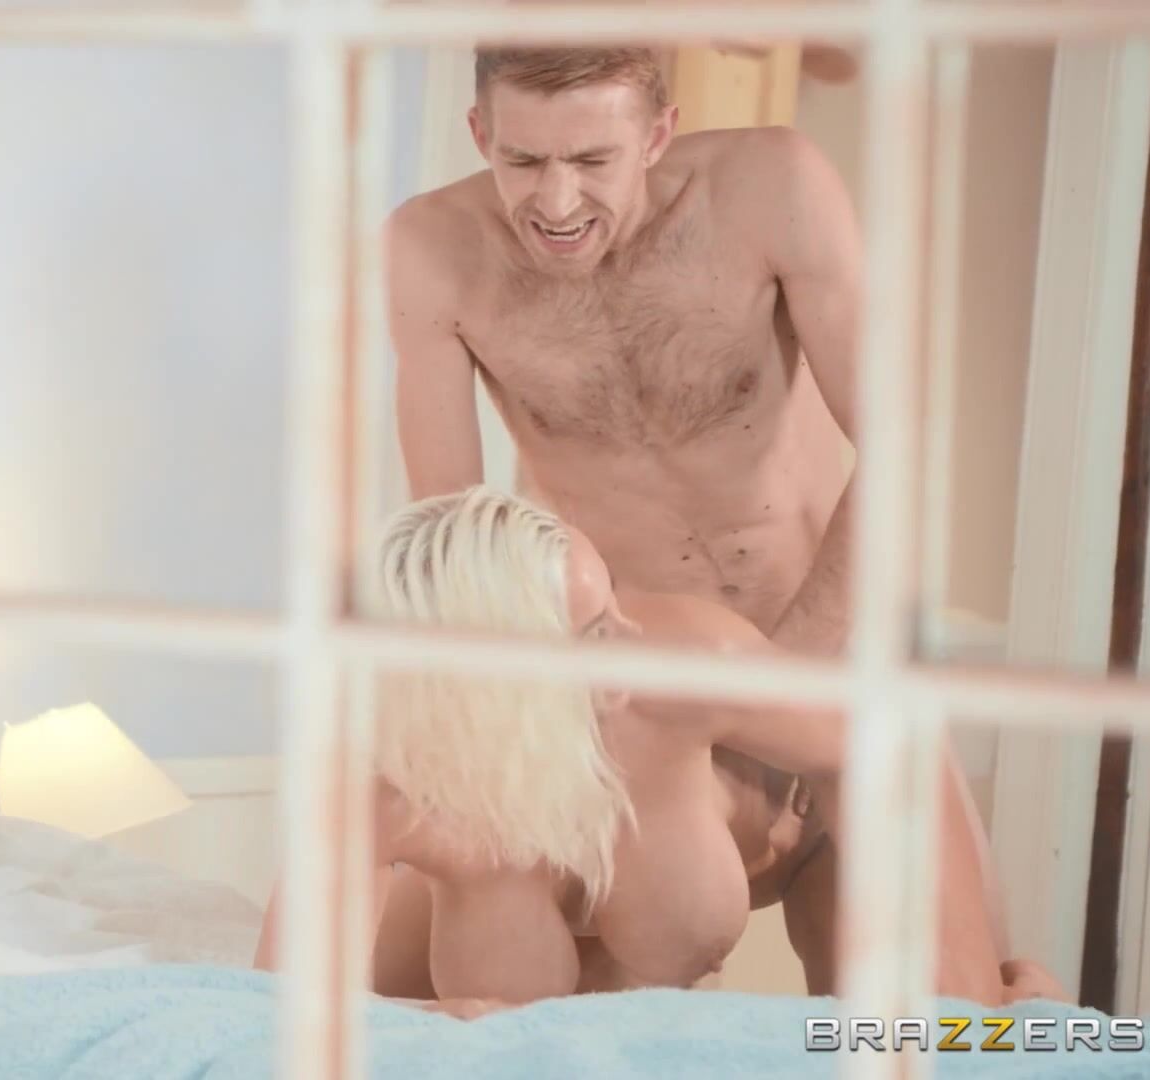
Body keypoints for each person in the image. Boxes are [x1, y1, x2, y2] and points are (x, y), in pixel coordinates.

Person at [383, 43, 902, 992]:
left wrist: (776, 692)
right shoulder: (432, 250)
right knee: (457, 996)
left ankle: (1019, 1001)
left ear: (658, 135)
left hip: (828, 662)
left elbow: (905, 450)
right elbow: (461, 552)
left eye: (593, 160)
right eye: (523, 160)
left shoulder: (774, 187)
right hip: (636, 709)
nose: (557, 202)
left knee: (914, 1024)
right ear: (479, 134)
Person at [253, 489, 1061, 1010]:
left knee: (949, 1037)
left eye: (613, 602)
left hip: (796, 842)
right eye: (594, 633)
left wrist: (975, 1012)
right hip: (519, 894)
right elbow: (265, 1019)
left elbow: (891, 743)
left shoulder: (683, 668)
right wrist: (436, 1020)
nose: (632, 639)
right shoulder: (384, 785)